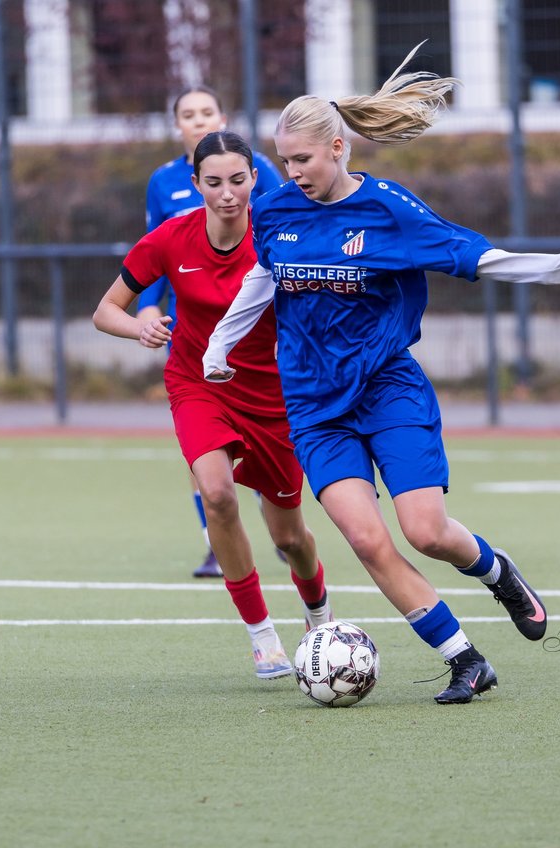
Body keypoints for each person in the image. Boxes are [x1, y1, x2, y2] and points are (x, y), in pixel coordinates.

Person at [202, 43, 560, 704]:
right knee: (366, 540)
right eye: (284, 161)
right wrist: (221, 343)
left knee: (425, 531)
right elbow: (263, 277)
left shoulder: (389, 209)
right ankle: (464, 660)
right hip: (314, 405)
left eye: (302, 159)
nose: (291, 173)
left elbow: (475, 255)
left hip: (387, 389)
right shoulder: (274, 211)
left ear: (338, 148)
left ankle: (497, 572)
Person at [94, 129, 334, 681]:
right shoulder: (170, 238)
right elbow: (106, 310)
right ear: (196, 183)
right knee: (217, 494)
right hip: (197, 384)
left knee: (290, 538)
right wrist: (139, 327)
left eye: (238, 180)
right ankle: (262, 637)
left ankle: (320, 616)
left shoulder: (280, 235)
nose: (227, 193)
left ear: (254, 180)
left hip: (272, 396)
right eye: (214, 182)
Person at [138, 85, 284, 579]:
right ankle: (213, 543)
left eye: (207, 112)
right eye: (188, 114)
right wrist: (146, 309)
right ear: (177, 124)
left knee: (262, 435)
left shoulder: (255, 170)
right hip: (193, 334)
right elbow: (153, 252)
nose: (198, 120)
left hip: (258, 332)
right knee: (201, 443)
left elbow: (284, 236)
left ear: (222, 118)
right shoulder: (163, 181)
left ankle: (279, 521)